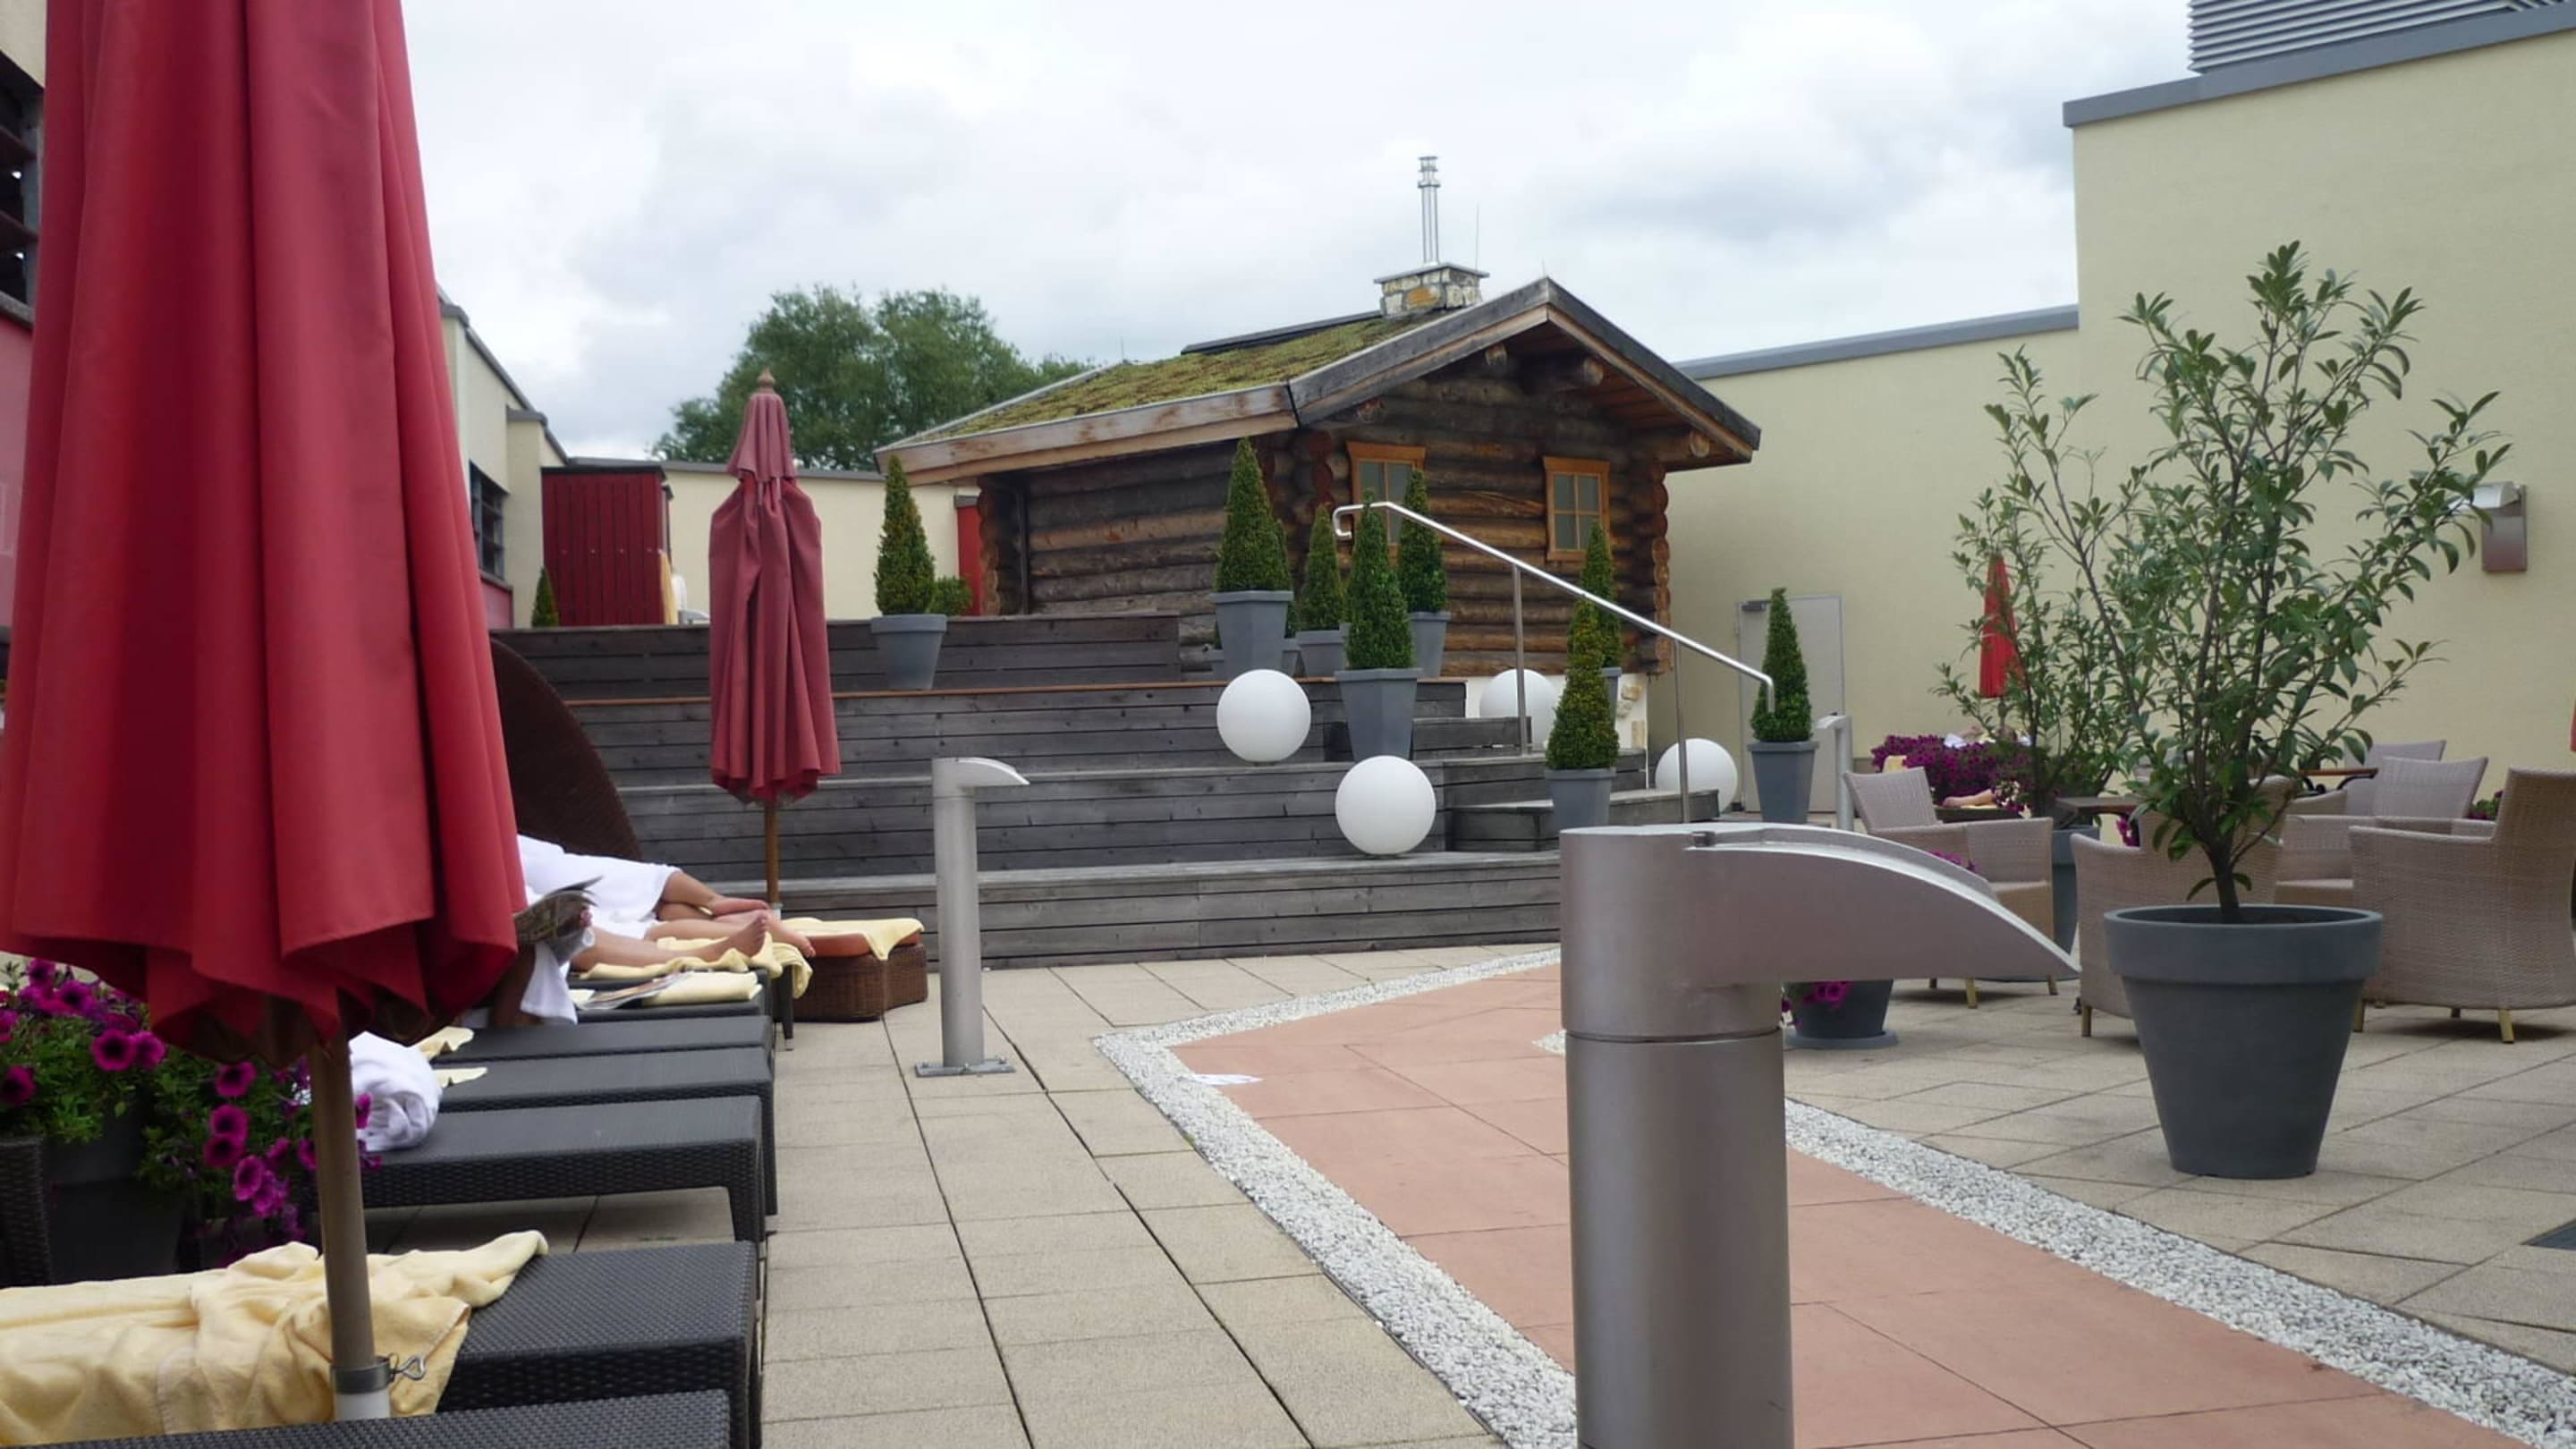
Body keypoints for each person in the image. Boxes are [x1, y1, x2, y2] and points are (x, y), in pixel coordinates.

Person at [516, 835, 811, 953]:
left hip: (515, 856)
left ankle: (716, 919)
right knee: (645, 910)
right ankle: (716, 915)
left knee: (641, 922)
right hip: (517, 858)